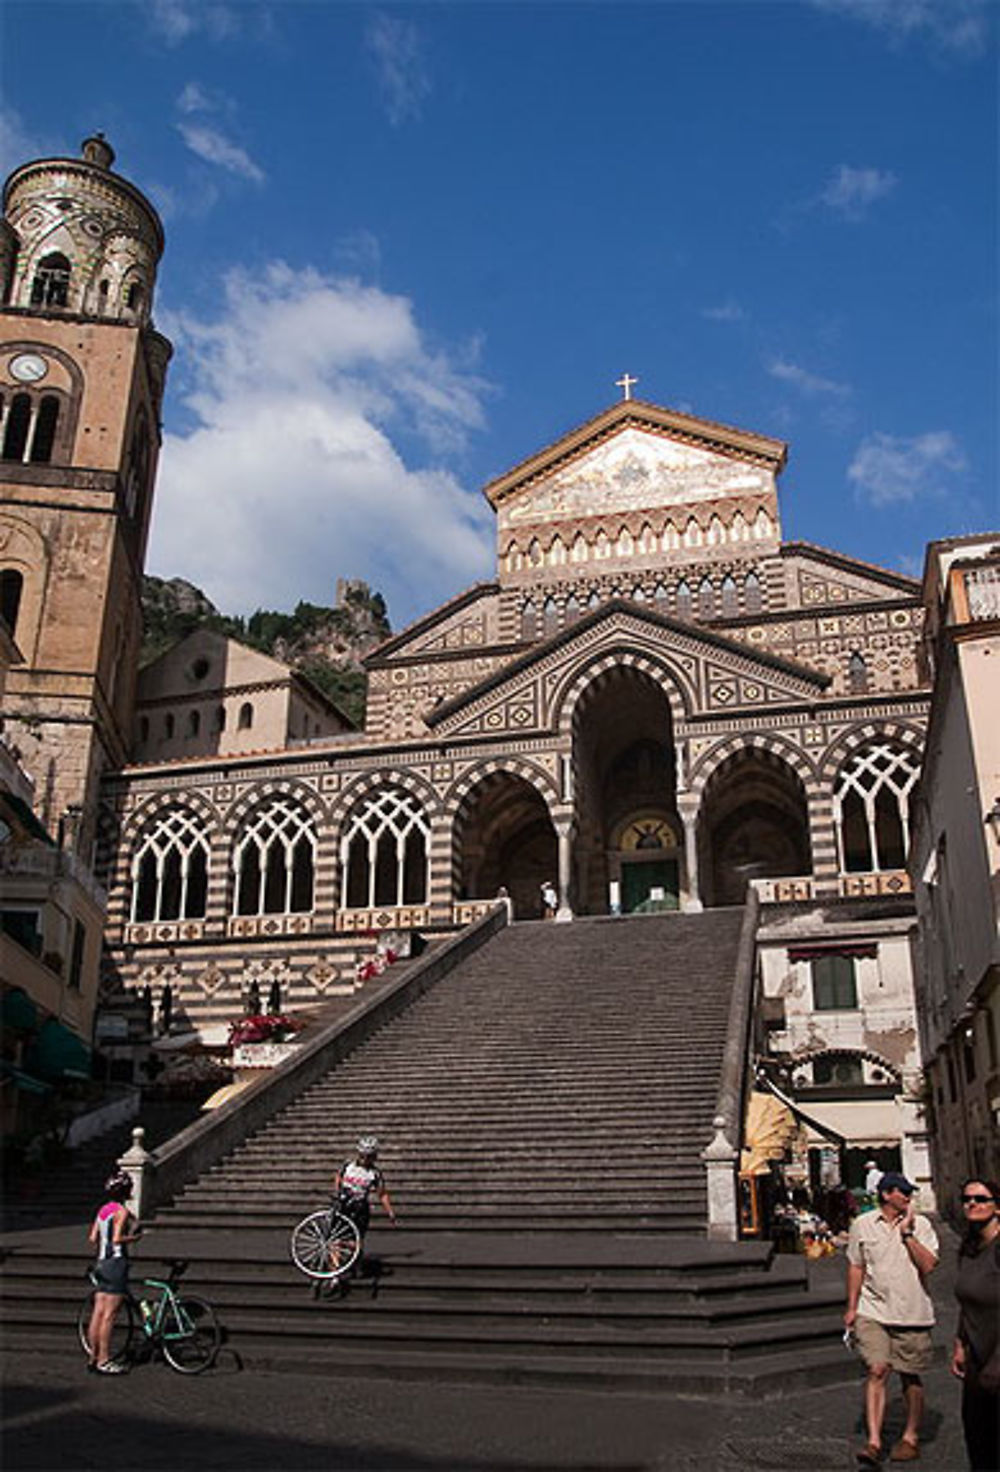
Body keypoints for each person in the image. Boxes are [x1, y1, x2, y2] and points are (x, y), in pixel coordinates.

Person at [844, 1170, 939, 1466]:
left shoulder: (921, 1225)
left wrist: (908, 1234)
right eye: (902, 1191)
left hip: (912, 1311)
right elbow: (856, 1267)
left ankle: (910, 1436)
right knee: (877, 1369)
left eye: (908, 1192)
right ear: (886, 1194)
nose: (907, 1196)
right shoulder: (862, 1224)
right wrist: (852, 1306)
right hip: (873, 1310)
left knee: (910, 1375)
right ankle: (874, 1441)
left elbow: (929, 1266)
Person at [951, 1177, 1000, 1472]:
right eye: (967, 1199)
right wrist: (960, 1342)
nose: (972, 1204)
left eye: (981, 1199)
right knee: (979, 1440)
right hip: (977, 1359)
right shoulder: (969, 1248)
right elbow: (966, 1300)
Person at [86, 1169, 141, 1374]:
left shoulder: (103, 1210)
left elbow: (93, 1237)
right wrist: (133, 1239)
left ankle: (93, 1356)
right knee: (110, 1315)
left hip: (101, 1262)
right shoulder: (121, 1212)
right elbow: (117, 1238)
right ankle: (104, 1359)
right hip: (116, 1263)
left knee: (98, 1312)